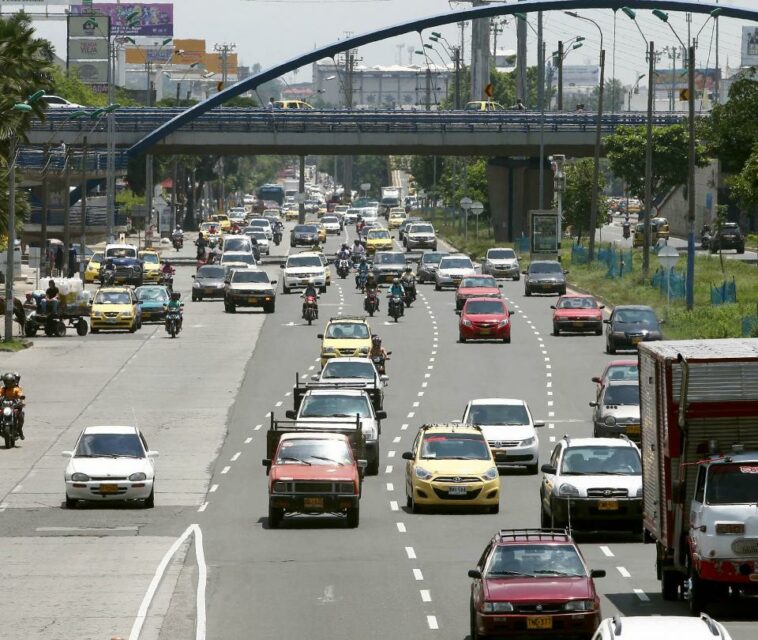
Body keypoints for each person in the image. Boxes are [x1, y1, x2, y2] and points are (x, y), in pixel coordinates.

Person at [0, 372, 25, 440]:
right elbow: (0, 393)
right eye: (7, 382)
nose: (9, 383)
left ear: (13, 381)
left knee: (20, 415)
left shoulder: (16, 389)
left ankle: (19, 430)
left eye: (10, 382)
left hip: (14, 405)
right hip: (5, 405)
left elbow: (20, 394)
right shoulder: (3, 389)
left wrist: (21, 397)